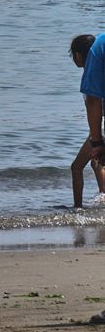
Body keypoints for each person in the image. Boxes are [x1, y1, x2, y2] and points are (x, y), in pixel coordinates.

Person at [69, 34, 105, 208]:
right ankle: (103, 195)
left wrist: (96, 140)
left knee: (76, 167)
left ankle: (77, 209)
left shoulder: (90, 76)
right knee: (96, 162)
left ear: (77, 55)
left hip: (102, 128)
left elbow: (93, 105)